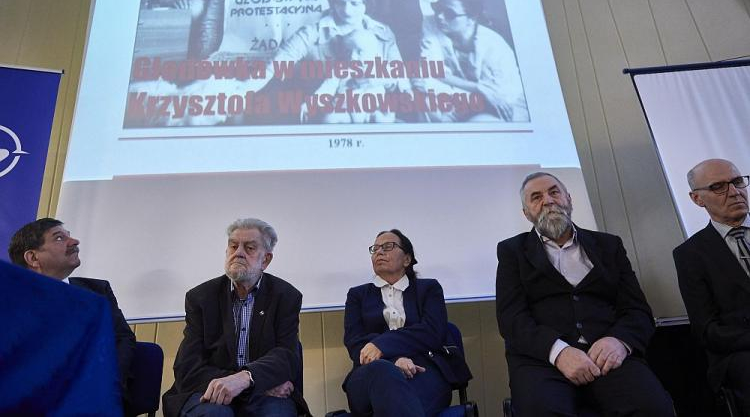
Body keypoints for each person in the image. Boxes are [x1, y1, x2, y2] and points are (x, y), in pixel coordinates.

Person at [496, 172, 673, 416]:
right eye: (536, 197)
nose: (548, 200)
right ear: (527, 213)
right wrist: (559, 352)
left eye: (554, 192)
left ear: (569, 199)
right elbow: (512, 320)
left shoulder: (609, 246)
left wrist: (619, 341)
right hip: (542, 361)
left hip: (608, 357)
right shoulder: (511, 252)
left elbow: (637, 310)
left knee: (653, 408)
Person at [162, 218, 310, 417]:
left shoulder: (286, 296)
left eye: (249, 248)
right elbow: (188, 367)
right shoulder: (200, 298)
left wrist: (246, 380)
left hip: (265, 397)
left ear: (265, 260)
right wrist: (246, 383)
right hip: (207, 390)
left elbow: (287, 356)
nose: (238, 252)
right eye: (233, 246)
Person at [7, 217, 136, 413]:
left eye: (69, 236)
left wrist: (105, 384)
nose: (74, 241)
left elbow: (122, 339)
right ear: (33, 258)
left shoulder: (97, 291)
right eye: (59, 238)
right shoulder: (10, 302)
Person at [342, 229, 471, 417]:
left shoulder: (429, 289)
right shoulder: (357, 296)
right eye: (375, 248)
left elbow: (432, 332)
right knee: (382, 371)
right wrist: (394, 361)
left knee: (398, 403)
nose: (379, 252)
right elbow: (355, 343)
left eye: (388, 246)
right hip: (370, 374)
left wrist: (382, 344)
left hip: (423, 370)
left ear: (407, 259)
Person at [271, 0, 410, 123]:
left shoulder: (381, 42)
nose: (346, 10)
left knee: (383, 120)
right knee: (330, 119)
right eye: (340, 2)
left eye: (354, 3)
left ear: (366, 3)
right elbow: (327, 88)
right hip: (344, 109)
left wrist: (394, 85)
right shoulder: (342, 67)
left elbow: (399, 76)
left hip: (374, 109)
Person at [673, 158, 750, 414]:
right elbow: (707, 330)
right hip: (741, 352)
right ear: (697, 199)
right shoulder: (691, 255)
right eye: (719, 186)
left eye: (738, 182)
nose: (735, 191)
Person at [418, 0, 527, 123]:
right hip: (463, 99)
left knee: (480, 122)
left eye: (449, 14)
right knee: (426, 102)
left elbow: (495, 94)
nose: (439, 16)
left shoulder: (493, 45)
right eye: (437, 9)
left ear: (471, 18)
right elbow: (432, 70)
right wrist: (476, 88)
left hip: (502, 104)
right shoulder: (431, 25)